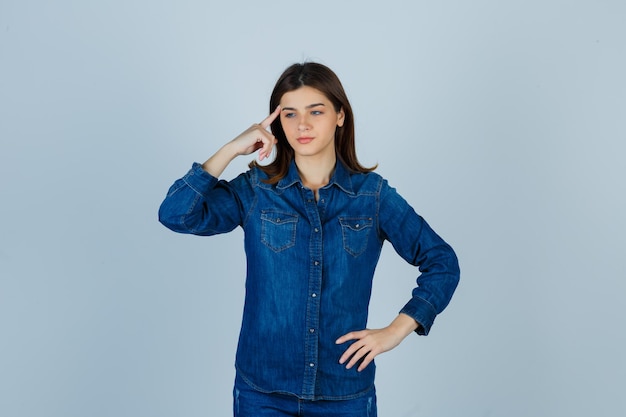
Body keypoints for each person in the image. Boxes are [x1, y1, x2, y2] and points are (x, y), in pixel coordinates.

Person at [158, 62, 460, 417]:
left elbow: (442, 262)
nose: (302, 125)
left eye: (315, 111)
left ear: (340, 116)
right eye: (289, 114)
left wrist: (397, 330)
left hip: (344, 393)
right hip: (263, 392)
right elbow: (176, 214)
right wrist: (230, 149)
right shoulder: (256, 190)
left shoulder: (372, 197)